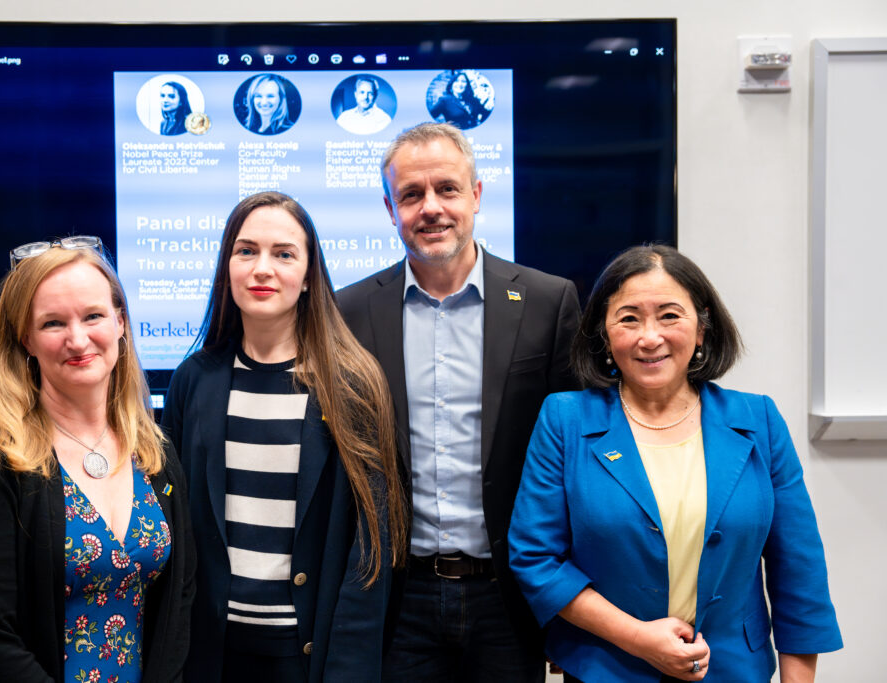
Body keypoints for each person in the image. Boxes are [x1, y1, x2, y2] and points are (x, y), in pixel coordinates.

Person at [509, 244, 843, 682]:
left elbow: (798, 571)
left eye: (669, 315)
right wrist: (638, 639)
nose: (650, 337)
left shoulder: (757, 420)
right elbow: (536, 558)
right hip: (608, 667)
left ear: (702, 329)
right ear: (604, 334)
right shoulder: (566, 419)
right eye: (629, 318)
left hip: (734, 670)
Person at [337, 122, 581, 682]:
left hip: (511, 594)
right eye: (411, 194)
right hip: (400, 598)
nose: (431, 208)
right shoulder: (348, 314)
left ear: (475, 194)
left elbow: (575, 461)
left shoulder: (546, 302)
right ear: (388, 206)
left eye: (447, 189)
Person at [162, 192, 407, 682]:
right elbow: (174, 526)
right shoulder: (194, 379)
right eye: (246, 250)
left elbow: (372, 553)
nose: (262, 269)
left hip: (308, 656)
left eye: (284, 253)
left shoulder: (353, 385)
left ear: (310, 276)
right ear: (226, 266)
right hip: (212, 653)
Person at [0, 237, 195, 682]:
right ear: (26, 340)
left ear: (120, 323)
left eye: (93, 316)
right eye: (53, 323)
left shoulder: (154, 454)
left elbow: (180, 601)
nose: (78, 339)